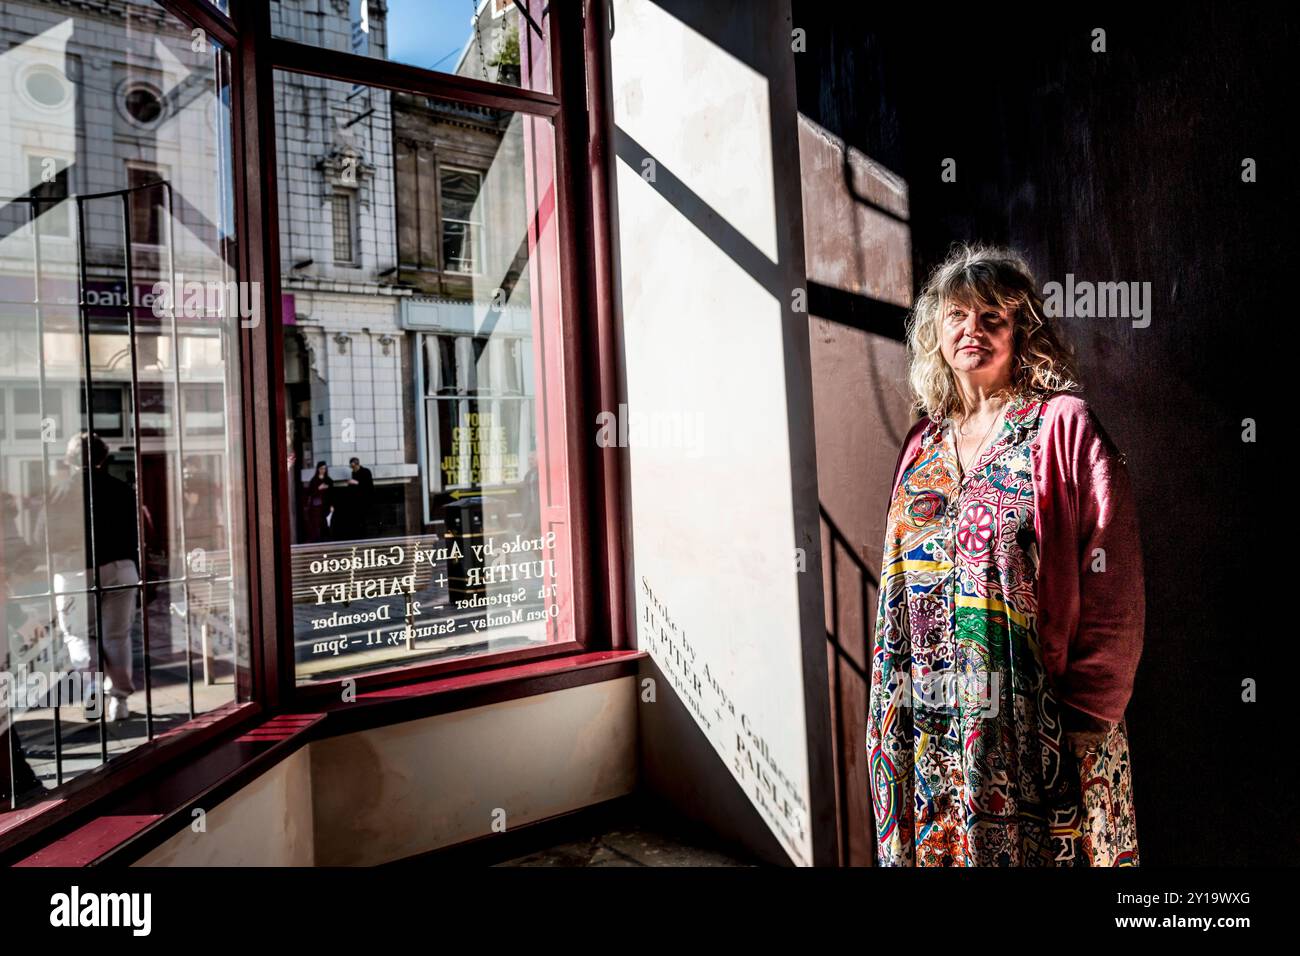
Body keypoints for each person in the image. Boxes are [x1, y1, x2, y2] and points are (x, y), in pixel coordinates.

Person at [867, 244, 1144, 867]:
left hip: (1039, 724)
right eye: (957, 316)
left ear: (1023, 332)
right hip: (932, 718)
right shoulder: (921, 442)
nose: (973, 330)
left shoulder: (1063, 426)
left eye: (993, 317)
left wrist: (1090, 711)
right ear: (934, 333)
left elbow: (1113, 574)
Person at [41, 432, 141, 723]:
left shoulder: (58, 493)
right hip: (120, 566)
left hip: (73, 570)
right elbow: (134, 532)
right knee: (117, 636)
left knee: (78, 635)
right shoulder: (121, 488)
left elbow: (40, 537)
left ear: (69, 459)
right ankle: (119, 702)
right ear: (103, 457)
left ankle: (92, 689)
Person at [302, 461, 333, 543]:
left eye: (324, 469)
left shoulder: (328, 480)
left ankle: (326, 540)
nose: (323, 470)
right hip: (316, 506)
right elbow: (310, 493)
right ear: (318, 469)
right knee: (316, 524)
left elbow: (332, 494)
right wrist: (319, 488)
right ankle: (317, 541)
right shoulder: (314, 480)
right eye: (321, 468)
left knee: (325, 523)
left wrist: (332, 505)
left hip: (326, 505)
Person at [345, 457, 374, 538]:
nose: (353, 469)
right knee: (358, 520)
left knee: (365, 520)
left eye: (354, 467)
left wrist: (356, 482)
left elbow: (369, 486)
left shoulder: (366, 472)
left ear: (358, 465)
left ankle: (365, 536)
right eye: (352, 467)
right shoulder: (353, 473)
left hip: (366, 500)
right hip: (356, 501)